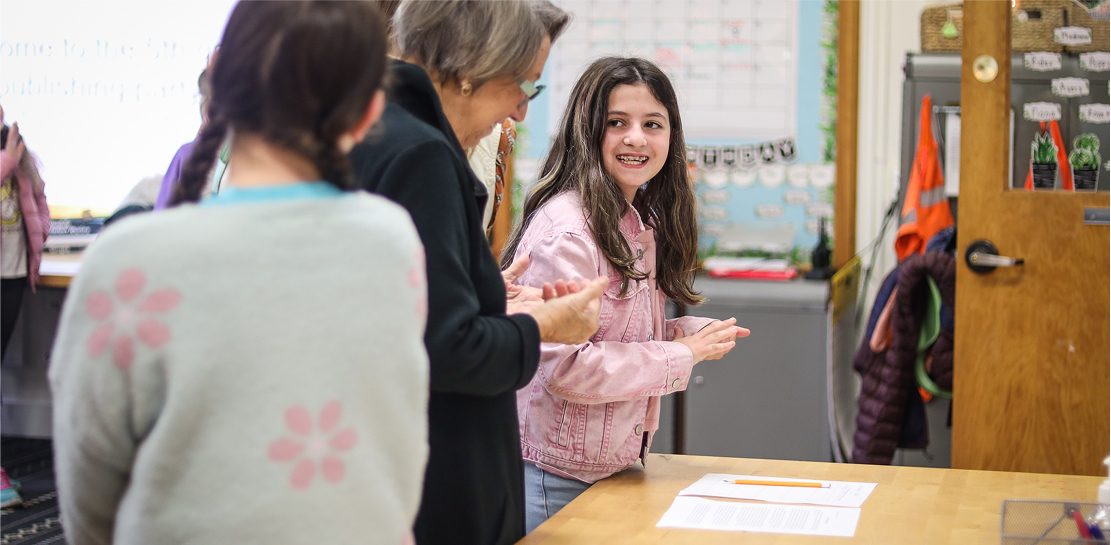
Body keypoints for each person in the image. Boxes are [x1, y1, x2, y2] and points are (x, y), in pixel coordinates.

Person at [49, 3, 429, 543]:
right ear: (370, 112)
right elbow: (400, 445)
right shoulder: (392, 242)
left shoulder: (126, 260)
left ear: (219, 83)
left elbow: (88, 486)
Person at [348, 2, 604, 544]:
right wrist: (546, 325)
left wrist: (496, 306)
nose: (519, 112)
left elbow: (399, 320)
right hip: (437, 486)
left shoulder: (368, 129)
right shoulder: (421, 154)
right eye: (523, 86)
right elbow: (448, 350)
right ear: (470, 71)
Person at [501, 57, 752, 531]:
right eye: (617, 123)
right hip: (556, 476)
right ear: (587, 131)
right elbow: (567, 369)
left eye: (652, 124)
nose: (636, 138)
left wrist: (685, 334)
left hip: (610, 466)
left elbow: (614, 332)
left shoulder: (637, 222)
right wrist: (679, 354)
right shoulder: (570, 233)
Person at [0, 107, 50, 510]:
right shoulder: (8, 159)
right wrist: (7, 163)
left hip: (12, 276)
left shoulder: (17, 156)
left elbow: (37, 199)